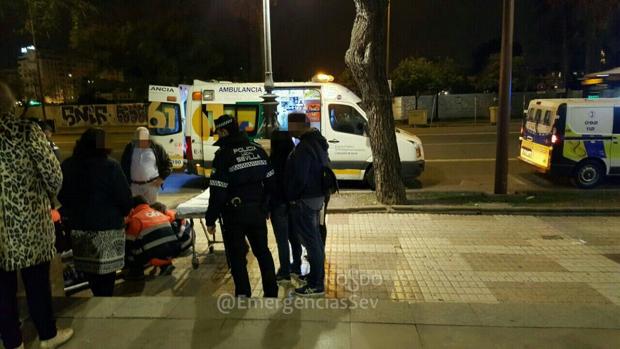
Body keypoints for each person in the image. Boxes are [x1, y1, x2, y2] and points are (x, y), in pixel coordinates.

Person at [0, 82, 73, 349]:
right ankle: (47, 335)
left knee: (2, 289)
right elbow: (55, 178)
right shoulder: (26, 131)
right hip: (29, 224)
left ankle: (12, 342)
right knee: (37, 283)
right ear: (11, 105)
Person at [204, 115, 278, 298]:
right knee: (263, 252)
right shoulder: (258, 149)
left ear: (224, 131)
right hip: (257, 212)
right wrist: (266, 207)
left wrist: (210, 219)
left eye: (218, 133)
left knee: (237, 257)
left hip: (234, 215)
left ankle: (244, 295)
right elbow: (271, 183)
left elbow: (218, 192)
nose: (218, 137)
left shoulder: (223, 156)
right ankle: (271, 293)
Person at [58, 128, 133, 297]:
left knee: (91, 275)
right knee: (107, 279)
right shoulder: (111, 166)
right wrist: (125, 211)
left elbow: (62, 194)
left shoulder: (68, 165)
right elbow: (124, 198)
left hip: (80, 229)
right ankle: (104, 307)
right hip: (108, 230)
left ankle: (98, 299)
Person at [286, 112, 329, 297]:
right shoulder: (317, 141)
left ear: (297, 126)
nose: (288, 129)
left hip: (306, 199)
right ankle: (316, 276)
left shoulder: (304, 147)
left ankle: (315, 284)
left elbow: (300, 178)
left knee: (311, 242)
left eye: (289, 125)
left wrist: (292, 196)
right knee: (316, 241)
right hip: (317, 197)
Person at [269, 130, 303, 284]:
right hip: (294, 203)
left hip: (278, 204)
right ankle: (296, 266)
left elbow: (270, 185)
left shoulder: (273, 161)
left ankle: (284, 271)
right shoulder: (295, 159)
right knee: (294, 236)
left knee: (282, 240)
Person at [125, 196, 180, 278]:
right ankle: (166, 265)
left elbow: (128, 242)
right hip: (174, 250)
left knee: (129, 249)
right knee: (157, 242)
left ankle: (136, 272)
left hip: (154, 254)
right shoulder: (158, 213)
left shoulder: (136, 218)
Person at [121, 127, 172, 204]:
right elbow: (123, 165)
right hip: (134, 186)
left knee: (151, 210)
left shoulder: (157, 147)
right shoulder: (130, 147)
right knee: (136, 210)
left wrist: (162, 178)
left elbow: (168, 164)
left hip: (151, 185)